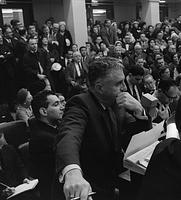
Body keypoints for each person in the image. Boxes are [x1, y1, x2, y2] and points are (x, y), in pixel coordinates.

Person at [55, 57, 152, 200]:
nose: (124, 88)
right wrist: (72, 171)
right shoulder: (80, 104)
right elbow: (69, 136)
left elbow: (133, 135)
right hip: (90, 185)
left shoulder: (115, 103)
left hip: (114, 177)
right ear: (100, 87)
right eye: (119, 84)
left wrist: (140, 111)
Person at [29, 90, 64, 200]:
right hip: (56, 193)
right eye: (56, 104)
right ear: (44, 111)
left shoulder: (55, 127)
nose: (62, 107)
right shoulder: (43, 138)